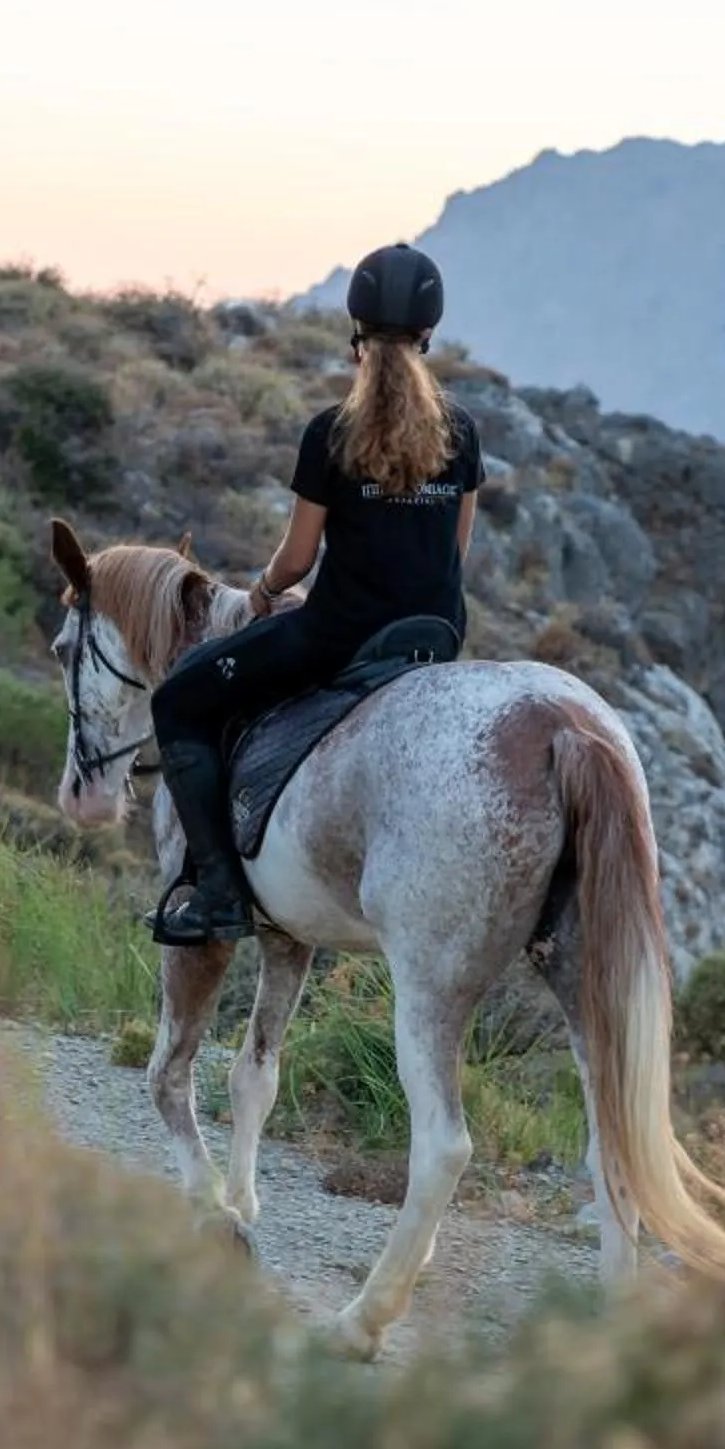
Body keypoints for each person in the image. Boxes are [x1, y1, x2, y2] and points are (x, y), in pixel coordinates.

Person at [145, 242, 486, 946]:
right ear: (428, 333)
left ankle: (218, 893)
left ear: (355, 333)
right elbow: (456, 554)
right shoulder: (461, 432)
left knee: (177, 700)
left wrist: (263, 593)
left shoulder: (331, 433)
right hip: (435, 634)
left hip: (340, 638)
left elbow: (298, 559)